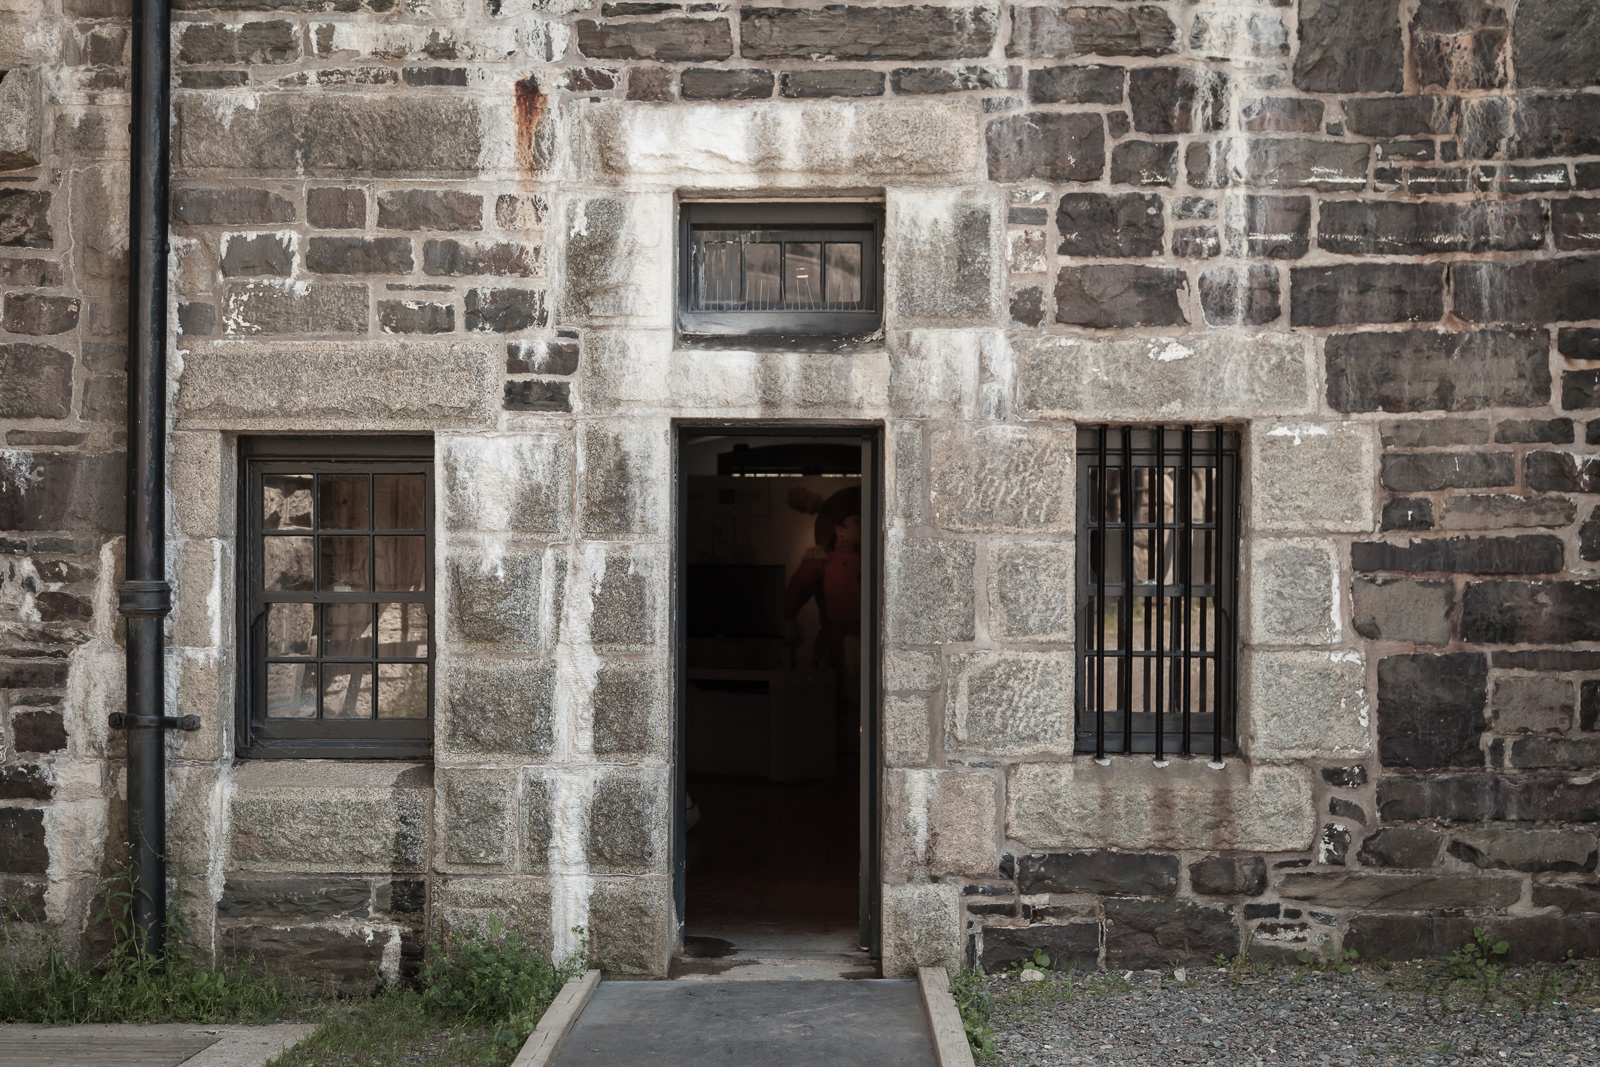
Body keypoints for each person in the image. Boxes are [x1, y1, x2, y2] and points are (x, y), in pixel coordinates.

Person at [783, 486, 861, 747]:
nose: (864, 526)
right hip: (837, 644)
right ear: (840, 530)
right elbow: (793, 594)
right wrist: (788, 620)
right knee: (836, 705)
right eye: (858, 522)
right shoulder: (822, 561)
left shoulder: (874, 559)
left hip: (870, 646)